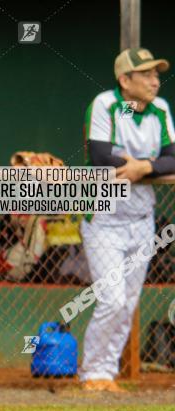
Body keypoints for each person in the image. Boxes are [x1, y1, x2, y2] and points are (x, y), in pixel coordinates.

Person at [81, 48, 175, 392]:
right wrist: (144, 163)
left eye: (156, 74)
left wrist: (142, 167)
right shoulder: (107, 105)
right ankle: (92, 371)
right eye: (146, 74)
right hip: (105, 218)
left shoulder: (160, 110)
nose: (155, 80)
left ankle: (106, 373)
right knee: (112, 298)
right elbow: (101, 157)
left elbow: (172, 158)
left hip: (142, 219)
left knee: (129, 303)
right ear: (125, 80)